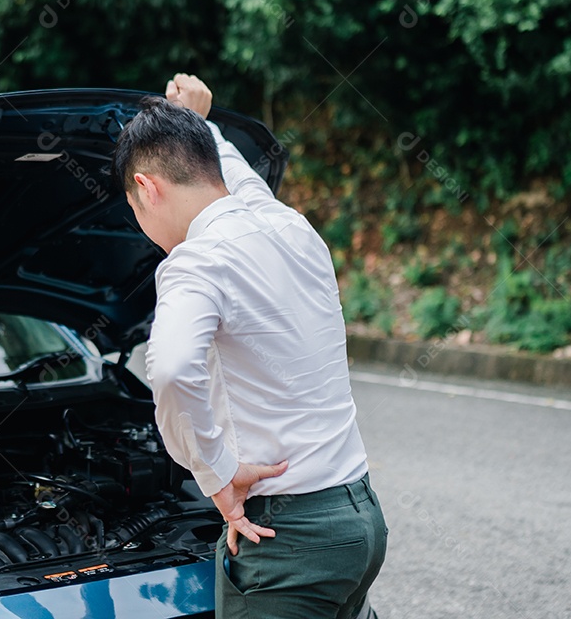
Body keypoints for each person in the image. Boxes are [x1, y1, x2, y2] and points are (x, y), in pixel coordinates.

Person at [112, 74, 387, 618]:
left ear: (147, 188)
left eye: (135, 211)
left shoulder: (195, 261)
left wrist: (214, 473)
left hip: (287, 538)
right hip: (358, 519)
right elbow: (237, 183)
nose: (144, 228)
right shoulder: (290, 224)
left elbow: (167, 370)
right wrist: (203, 122)